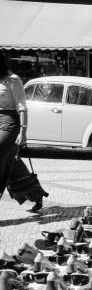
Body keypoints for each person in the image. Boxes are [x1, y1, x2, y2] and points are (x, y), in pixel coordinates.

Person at [0, 54, 44, 212]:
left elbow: (22, 107)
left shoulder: (13, 80)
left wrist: (23, 132)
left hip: (10, 124)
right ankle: (36, 194)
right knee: (12, 163)